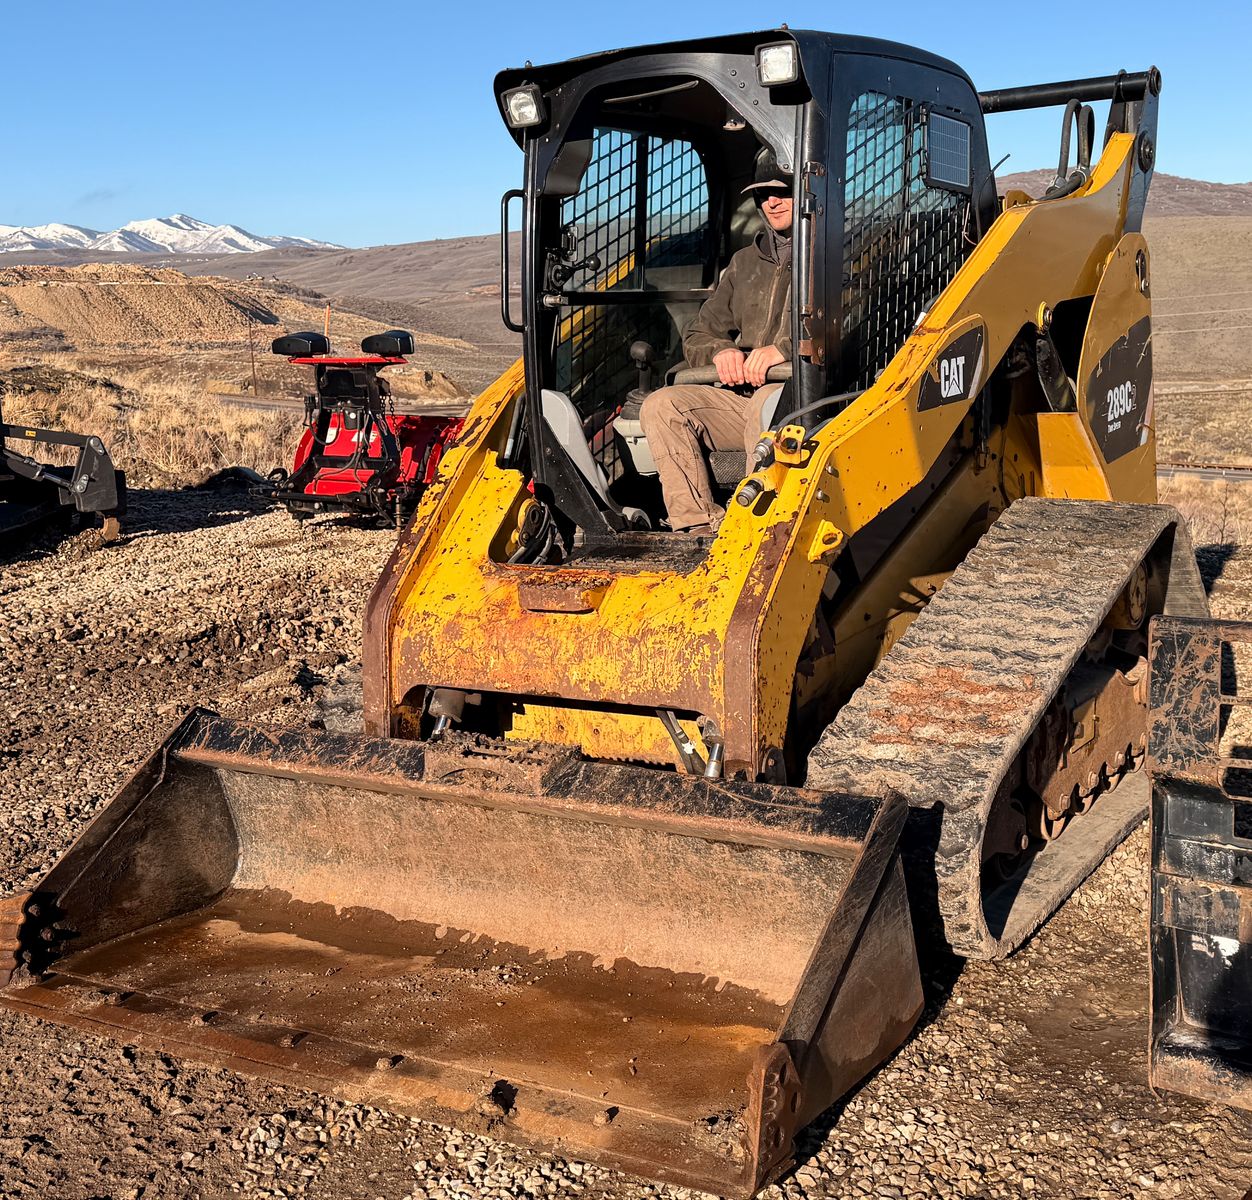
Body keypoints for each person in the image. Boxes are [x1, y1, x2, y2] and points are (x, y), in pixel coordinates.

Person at [640, 150, 794, 534]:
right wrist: (720, 351)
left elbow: (852, 324)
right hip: (741, 400)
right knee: (662, 405)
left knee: (767, 402)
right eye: (763, 195)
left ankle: (752, 526)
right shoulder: (744, 263)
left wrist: (785, 350)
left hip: (805, 403)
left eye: (783, 191)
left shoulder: (834, 256)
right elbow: (698, 332)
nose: (772, 202)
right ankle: (697, 526)